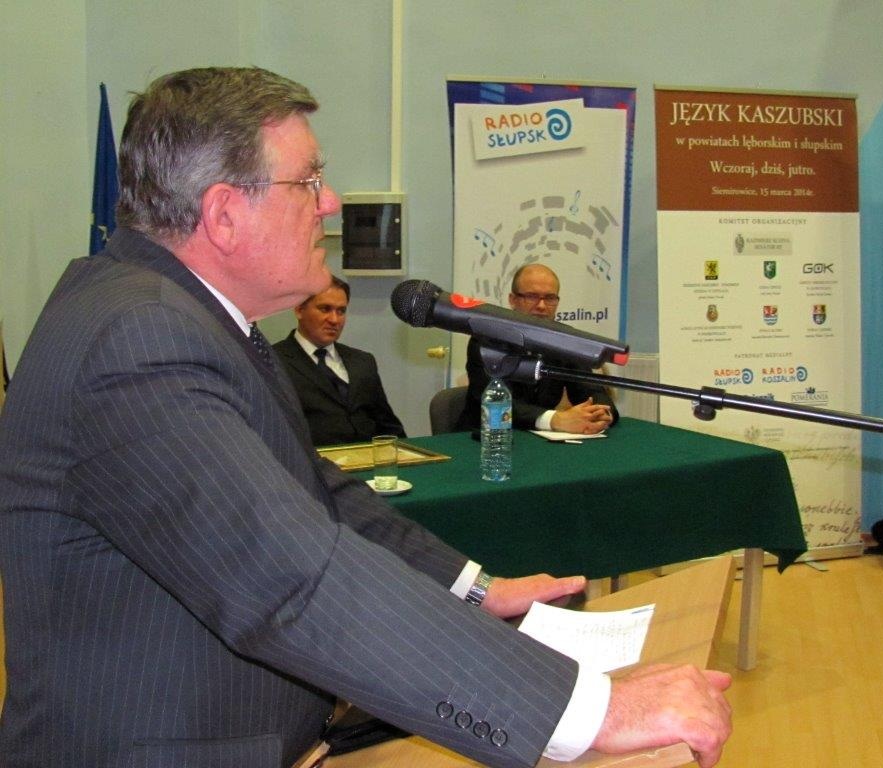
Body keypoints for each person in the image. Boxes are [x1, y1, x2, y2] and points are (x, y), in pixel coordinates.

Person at [0, 67, 731, 768]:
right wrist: (594, 712)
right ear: (223, 214)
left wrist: (476, 589)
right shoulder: (138, 340)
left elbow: (315, 490)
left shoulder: (186, 320)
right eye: (308, 180)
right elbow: (289, 576)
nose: (330, 203)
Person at [456, 263, 619, 434]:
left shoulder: (563, 339)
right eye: (532, 296)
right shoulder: (487, 339)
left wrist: (600, 413)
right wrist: (555, 419)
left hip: (539, 439)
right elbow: (497, 404)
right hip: (485, 437)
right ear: (513, 300)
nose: (541, 305)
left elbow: (590, 390)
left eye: (550, 298)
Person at [274, 275, 406, 445]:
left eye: (341, 311)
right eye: (325, 309)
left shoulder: (363, 362)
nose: (334, 320)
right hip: (313, 459)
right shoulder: (274, 362)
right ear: (299, 310)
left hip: (369, 456)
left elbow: (388, 427)